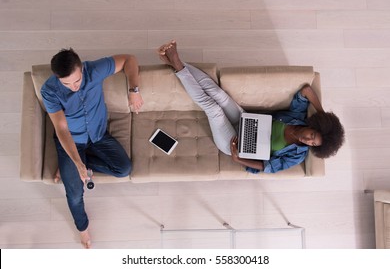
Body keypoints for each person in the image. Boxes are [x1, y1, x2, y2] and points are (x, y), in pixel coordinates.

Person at [157, 40, 344, 174]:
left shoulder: (297, 155)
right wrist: (322, 114)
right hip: (246, 120)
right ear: (314, 126)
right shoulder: (298, 116)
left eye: (312, 144)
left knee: (212, 108)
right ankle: (175, 63)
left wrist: (238, 158)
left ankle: (177, 62)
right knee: (219, 95)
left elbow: (268, 167)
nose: (307, 141)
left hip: (234, 142)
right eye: (312, 136)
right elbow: (306, 90)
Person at [40, 48, 144, 248]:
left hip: (98, 135)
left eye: (77, 81)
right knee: (75, 192)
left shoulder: (94, 70)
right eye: (66, 83)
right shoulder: (49, 90)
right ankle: (83, 229)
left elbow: (130, 58)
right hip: (71, 139)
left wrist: (134, 90)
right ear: (57, 78)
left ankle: (70, 165)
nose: (73, 87)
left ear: (82, 69)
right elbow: (61, 129)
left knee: (123, 169)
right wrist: (77, 163)